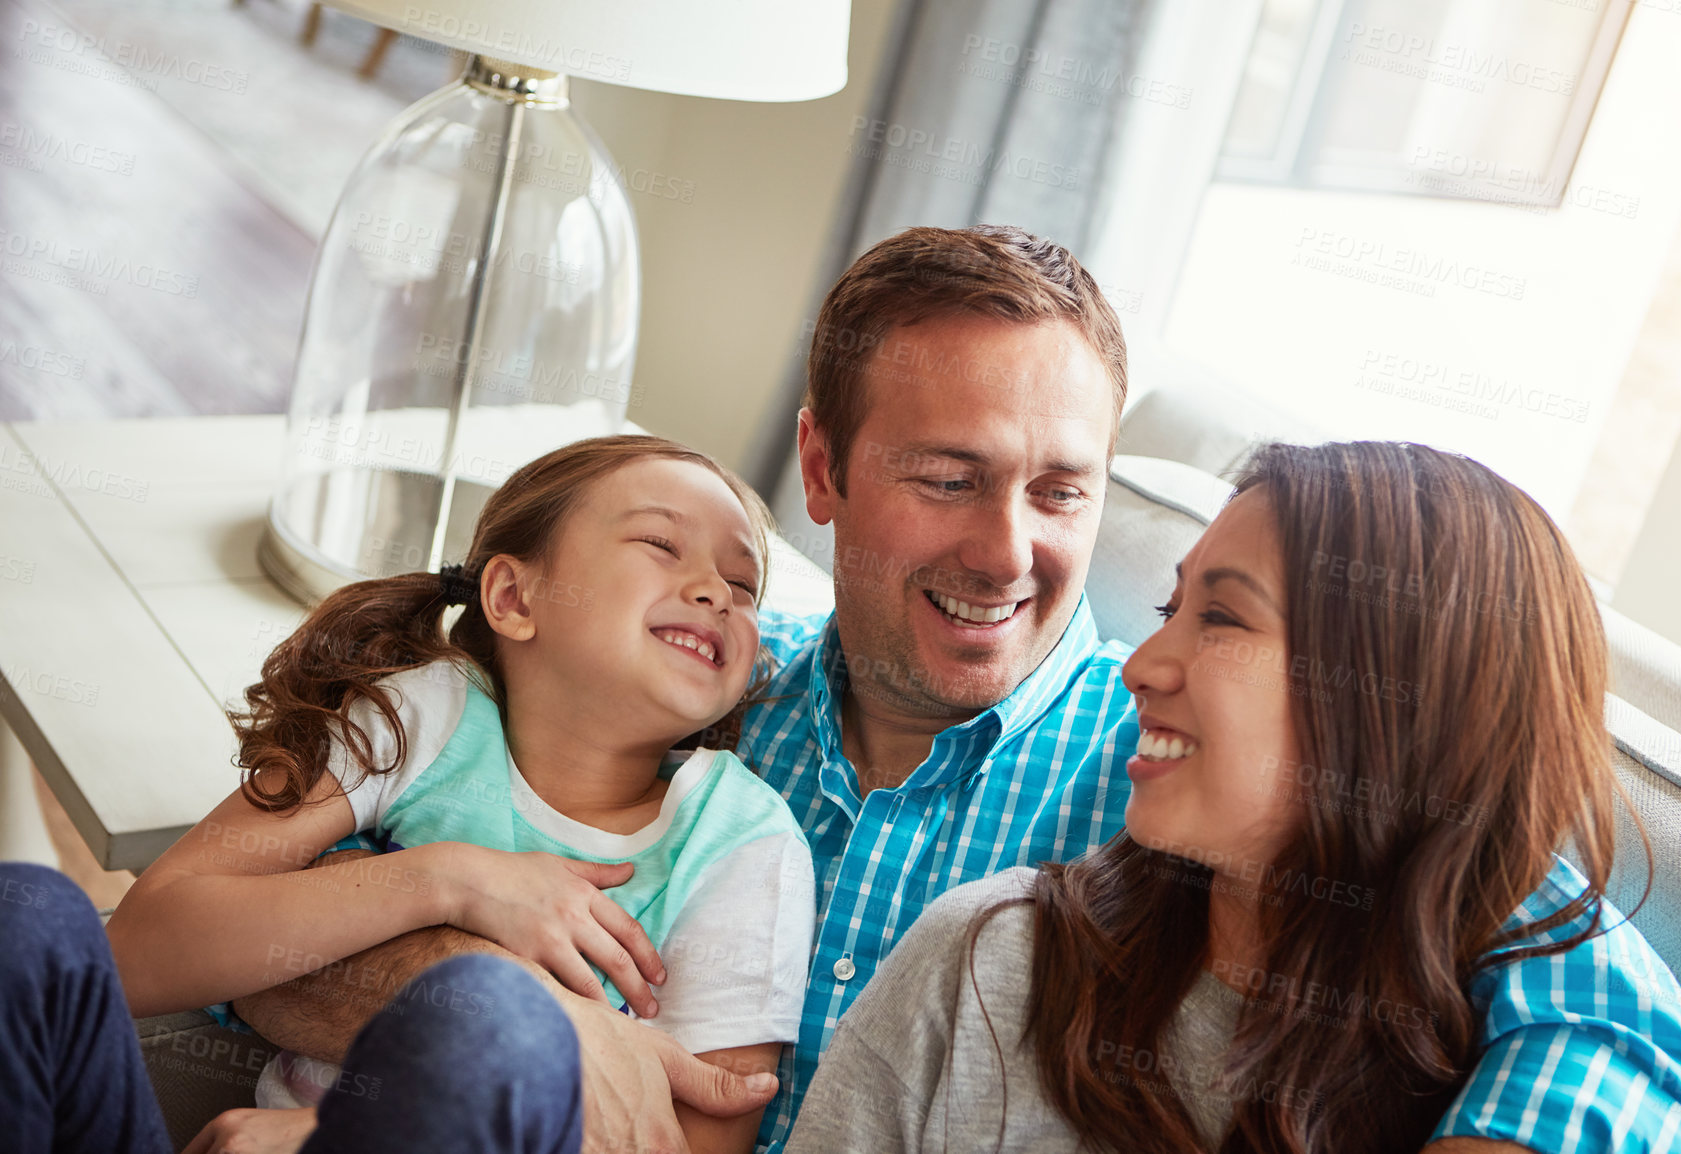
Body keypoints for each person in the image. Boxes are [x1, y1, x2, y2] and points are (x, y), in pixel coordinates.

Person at [231, 224, 1147, 1153]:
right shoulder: (692, 685)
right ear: (823, 469)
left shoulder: (1154, 783)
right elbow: (243, 952)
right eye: (950, 480)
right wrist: (500, 996)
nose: (1005, 554)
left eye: (1063, 493)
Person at [783, 441, 1681, 1153]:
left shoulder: (1539, 1061)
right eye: (1170, 611)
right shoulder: (992, 959)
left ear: (1393, 697)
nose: (1142, 665)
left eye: (1224, 618)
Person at [104, 434, 815, 1154]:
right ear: (512, 596)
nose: (716, 593)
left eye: (744, 586)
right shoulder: (421, 716)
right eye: (662, 543)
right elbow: (136, 950)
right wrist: (450, 882)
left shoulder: (743, 839)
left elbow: (693, 1138)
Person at [2, 861, 594, 1154]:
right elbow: (133, 952)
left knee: (502, 1019)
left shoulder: (690, 847)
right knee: (26, 914)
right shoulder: (408, 720)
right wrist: (449, 878)